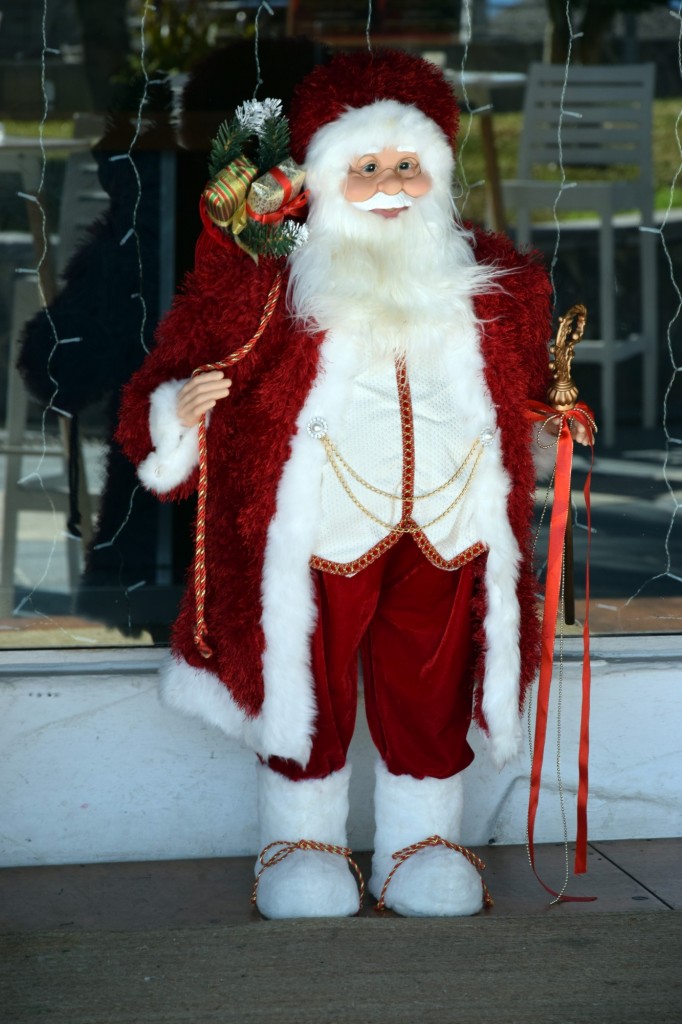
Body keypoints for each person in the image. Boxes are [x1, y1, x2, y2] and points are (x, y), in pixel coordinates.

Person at [116, 49, 586, 919]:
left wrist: (549, 421)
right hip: (323, 524)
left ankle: (422, 841)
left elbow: (518, 387)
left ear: (439, 172)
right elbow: (172, 370)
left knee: (433, 686)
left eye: (408, 166)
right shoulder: (270, 282)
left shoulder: (499, 282)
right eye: (365, 168)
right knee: (308, 683)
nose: (390, 186)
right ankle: (302, 840)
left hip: (451, 521)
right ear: (322, 175)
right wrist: (175, 413)